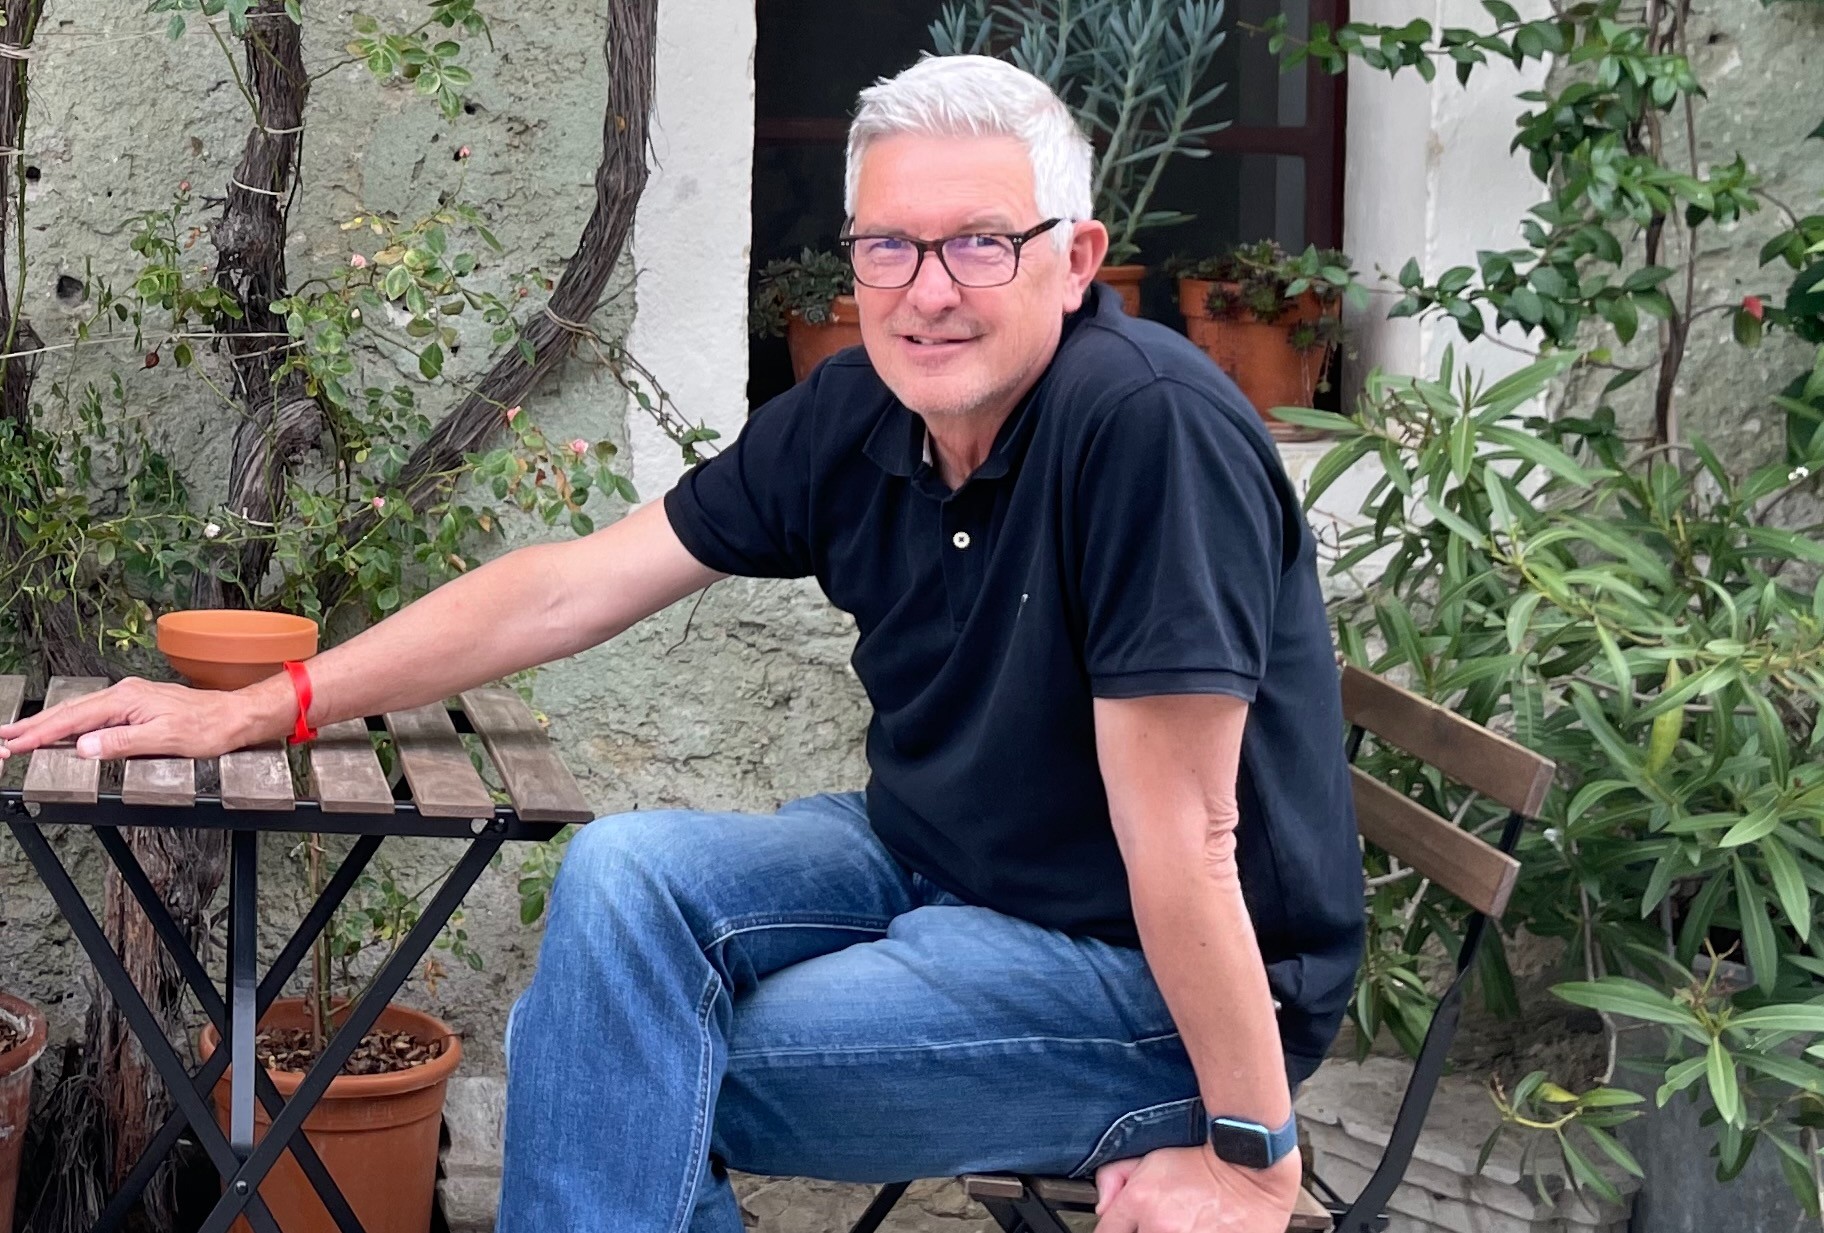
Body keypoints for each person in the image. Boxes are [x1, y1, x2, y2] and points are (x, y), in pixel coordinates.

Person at [0, 54, 1362, 1233]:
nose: (926, 290)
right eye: (888, 246)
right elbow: (565, 591)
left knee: (609, 1060)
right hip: (929, 859)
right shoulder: (864, 410)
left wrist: (1251, 1156)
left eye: (979, 244)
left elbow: (1189, 840)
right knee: (623, 874)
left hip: (1136, 976)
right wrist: (262, 706)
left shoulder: (1145, 431)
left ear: (1076, 257)